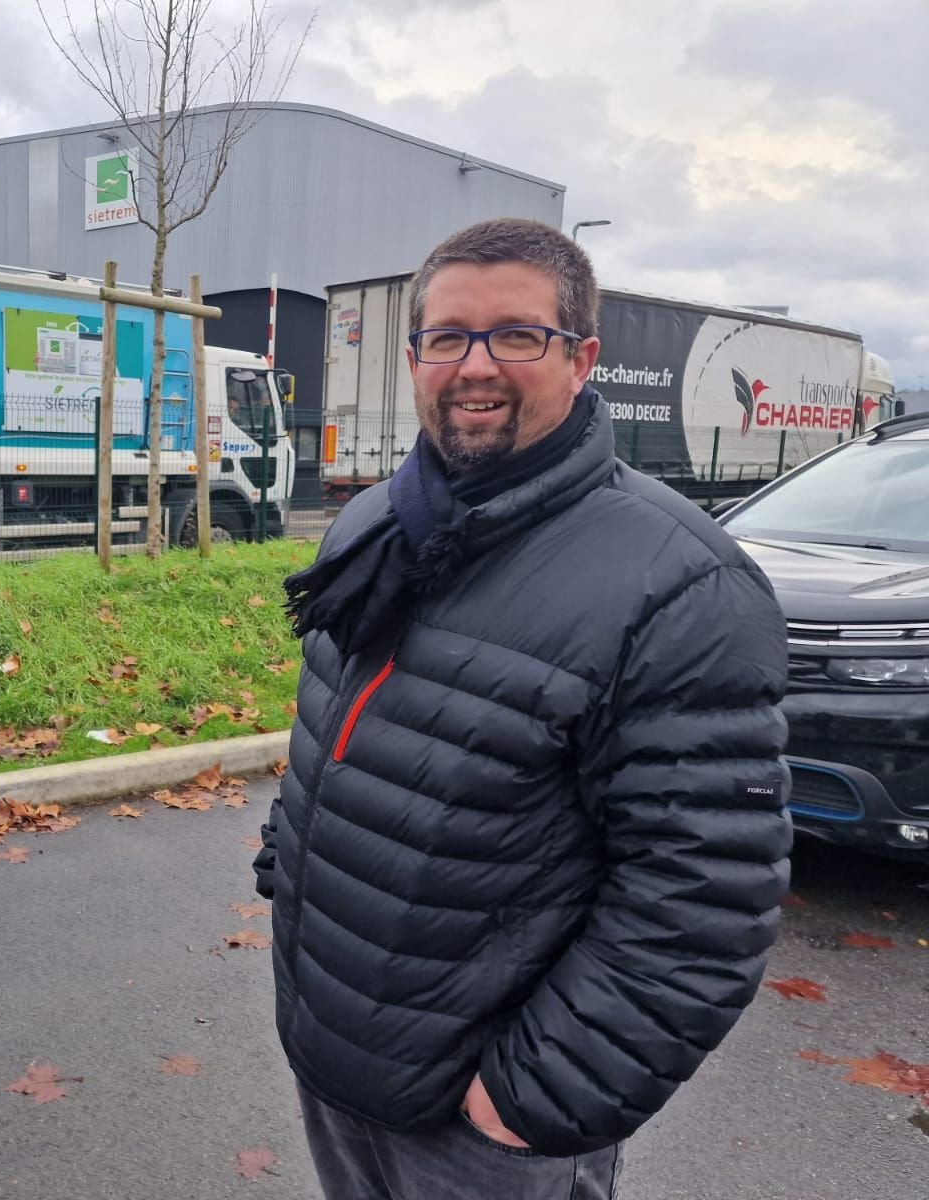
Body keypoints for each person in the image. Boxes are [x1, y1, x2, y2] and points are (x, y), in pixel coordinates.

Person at [254, 217, 791, 1199]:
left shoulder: (678, 584)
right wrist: (287, 863)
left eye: (515, 335)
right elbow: (340, 733)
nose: (474, 365)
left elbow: (700, 901)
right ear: (413, 356)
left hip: (479, 1123)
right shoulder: (376, 523)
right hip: (336, 1052)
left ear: (580, 358)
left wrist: (529, 1100)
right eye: (447, 337)